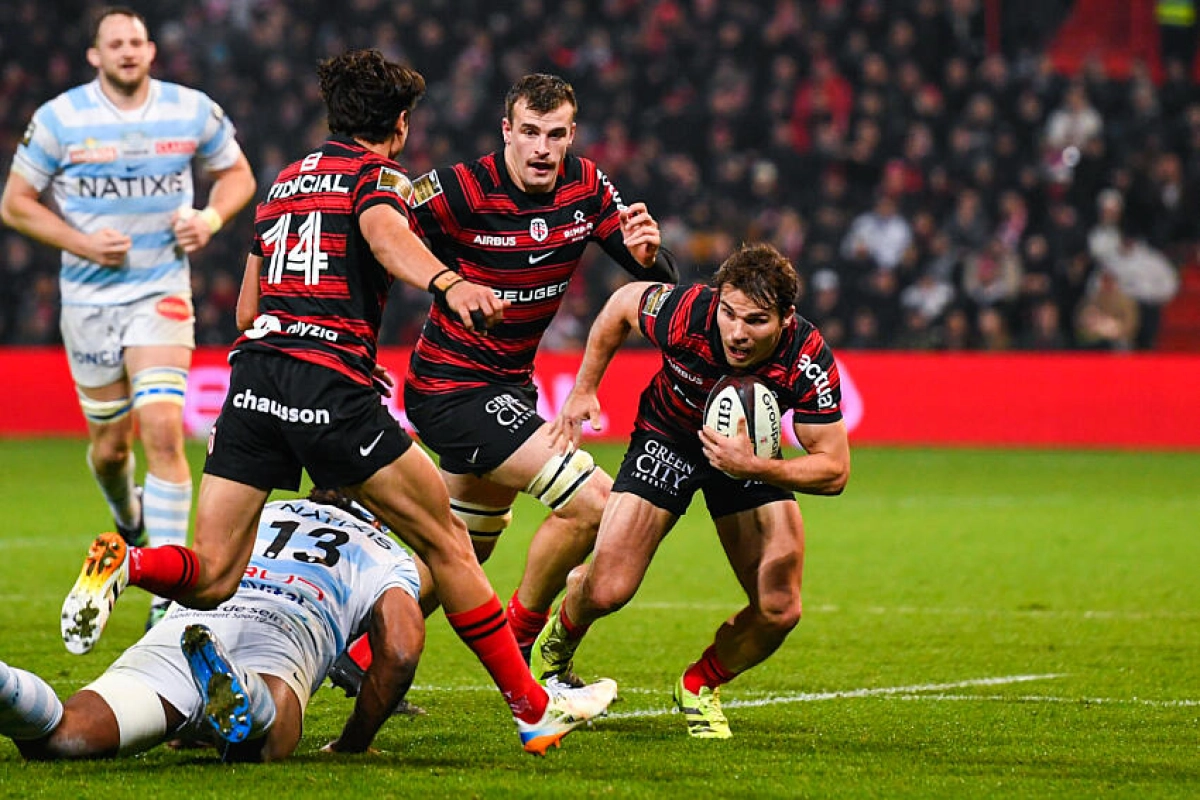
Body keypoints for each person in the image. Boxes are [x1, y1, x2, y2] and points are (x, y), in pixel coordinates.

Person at [58, 49, 616, 756]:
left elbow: (248, 309)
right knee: (448, 543)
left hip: (253, 382)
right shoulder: (378, 177)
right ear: (401, 124)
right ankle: (533, 711)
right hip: (328, 389)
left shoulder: (284, 181)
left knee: (213, 572)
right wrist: (448, 284)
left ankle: (127, 564)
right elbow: (386, 236)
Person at [399, 73, 679, 658]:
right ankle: (523, 640)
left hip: (508, 389)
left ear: (572, 135)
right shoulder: (459, 189)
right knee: (593, 504)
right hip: (450, 388)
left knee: (462, 549)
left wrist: (650, 257)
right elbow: (378, 240)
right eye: (529, 132)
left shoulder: (586, 185)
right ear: (507, 131)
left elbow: (649, 276)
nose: (542, 148)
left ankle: (360, 658)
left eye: (555, 134)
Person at [0, 6, 256, 629]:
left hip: (160, 291)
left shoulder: (190, 109)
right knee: (112, 449)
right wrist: (83, 243)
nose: (127, 51)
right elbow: (16, 204)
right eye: (114, 43)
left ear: (150, 51)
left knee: (165, 432)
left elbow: (238, 176)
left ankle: (166, 601)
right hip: (88, 303)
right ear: (96, 56)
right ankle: (127, 517)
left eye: (136, 41)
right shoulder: (60, 119)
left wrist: (209, 219)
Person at [531, 242, 851, 739]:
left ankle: (699, 684)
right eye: (730, 314)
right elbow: (619, 307)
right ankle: (557, 641)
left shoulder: (806, 357)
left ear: (787, 318)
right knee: (609, 588)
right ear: (717, 299)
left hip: (749, 459)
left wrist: (754, 466)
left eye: (757, 321)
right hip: (669, 438)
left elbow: (834, 470)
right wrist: (583, 388)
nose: (738, 333)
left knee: (779, 607)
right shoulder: (688, 311)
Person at [1, 490, 422, 762]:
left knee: (63, 739)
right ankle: (238, 689)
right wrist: (353, 742)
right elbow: (401, 651)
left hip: (186, 625)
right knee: (263, 743)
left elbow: (199, 566)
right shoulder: (385, 551)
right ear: (379, 514)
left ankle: (6, 684)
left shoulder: (261, 509)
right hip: (279, 639)